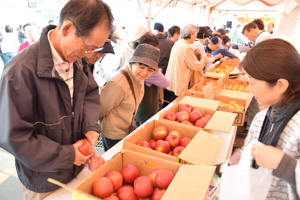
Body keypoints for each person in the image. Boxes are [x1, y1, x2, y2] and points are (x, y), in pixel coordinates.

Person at [0, 0, 114, 199]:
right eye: (89, 47)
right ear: (68, 28)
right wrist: (67, 155)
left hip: (78, 168)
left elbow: (89, 93)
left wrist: (89, 126)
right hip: (44, 179)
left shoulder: (78, 61)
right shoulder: (19, 73)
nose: (90, 55)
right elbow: (13, 136)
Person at [232, 38, 300, 199]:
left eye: (253, 83)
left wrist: (284, 165)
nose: (249, 89)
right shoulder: (262, 117)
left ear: (281, 85)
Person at [99, 44, 160, 151]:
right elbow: (99, 110)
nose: (145, 73)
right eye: (141, 66)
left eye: (150, 70)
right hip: (113, 135)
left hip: (126, 129)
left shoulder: (138, 77)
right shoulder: (117, 84)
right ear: (132, 62)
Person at [134, 34, 170, 126]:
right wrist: (159, 72)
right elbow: (165, 83)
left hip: (137, 108)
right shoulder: (151, 70)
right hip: (147, 110)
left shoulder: (135, 62)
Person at [165, 24, 206, 99]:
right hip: (179, 82)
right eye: (195, 34)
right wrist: (203, 58)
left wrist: (193, 54)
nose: (196, 37)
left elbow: (182, 59)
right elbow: (197, 66)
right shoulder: (187, 47)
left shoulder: (179, 43)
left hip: (172, 81)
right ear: (191, 34)